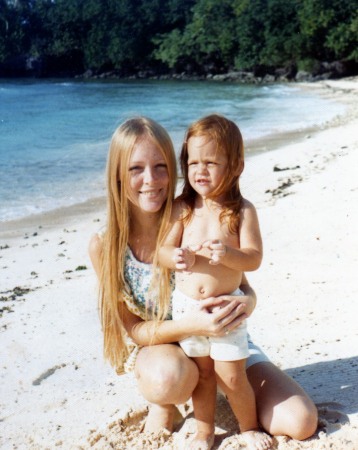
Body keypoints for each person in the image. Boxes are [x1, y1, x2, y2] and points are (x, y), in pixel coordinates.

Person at [88, 116, 317, 446]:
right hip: (168, 350)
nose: (150, 179)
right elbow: (135, 329)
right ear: (117, 175)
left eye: (161, 166)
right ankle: (165, 403)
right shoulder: (107, 246)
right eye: (135, 168)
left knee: (300, 421)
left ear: (174, 167)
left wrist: (247, 302)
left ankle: (222, 392)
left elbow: (242, 279)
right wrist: (193, 324)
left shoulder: (194, 213)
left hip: (224, 333)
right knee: (169, 379)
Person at [158, 114, 272, 450]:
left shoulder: (241, 211)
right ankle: (204, 432)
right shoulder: (183, 208)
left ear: (236, 166)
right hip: (189, 309)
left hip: (227, 308)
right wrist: (175, 257)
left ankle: (249, 427)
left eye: (211, 162)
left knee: (232, 375)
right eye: (193, 162)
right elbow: (163, 250)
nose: (200, 170)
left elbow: (253, 258)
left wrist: (228, 255)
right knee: (203, 376)